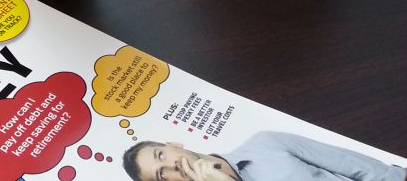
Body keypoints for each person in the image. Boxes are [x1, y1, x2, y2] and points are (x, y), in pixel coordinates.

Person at [123, 135, 407, 181]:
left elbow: (362, 168)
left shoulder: (265, 143)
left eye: (161, 155)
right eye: (161, 174)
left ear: (173, 143)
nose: (170, 165)